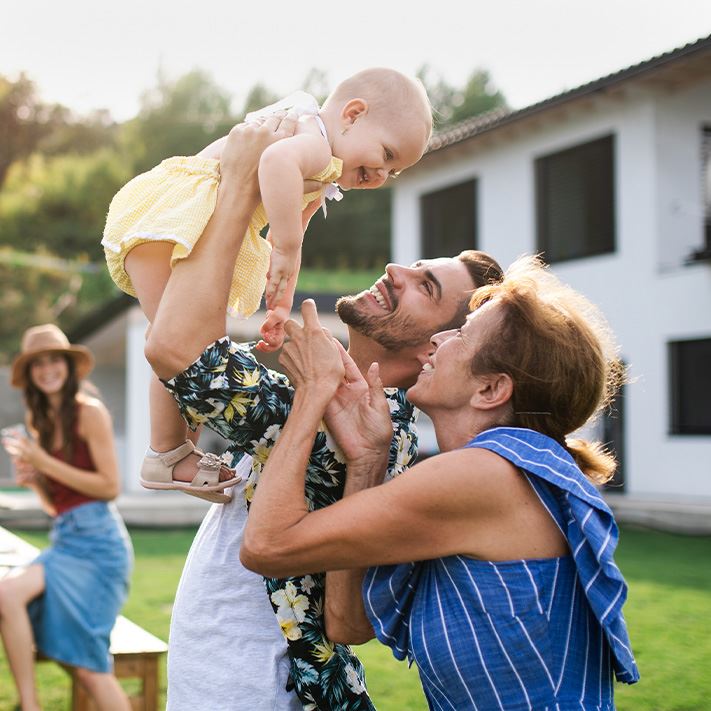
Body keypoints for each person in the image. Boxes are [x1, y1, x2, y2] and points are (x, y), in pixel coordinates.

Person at [143, 115, 503, 709]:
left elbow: (175, 348)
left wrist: (236, 185)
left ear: (433, 346)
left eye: (425, 287)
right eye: (415, 265)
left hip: (258, 684)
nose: (396, 270)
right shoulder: (341, 393)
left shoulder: (345, 411)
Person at [241, 258, 642, 709]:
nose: (437, 340)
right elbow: (348, 623)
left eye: (462, 335)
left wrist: (312, 392)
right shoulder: (502, 473)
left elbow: (266, 547)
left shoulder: (483, 476)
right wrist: (368, 460)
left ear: (491, 390)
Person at [102, 67, 433, 502]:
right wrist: (290, 247)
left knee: (192, 337)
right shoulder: (314, 140)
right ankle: (166, 452)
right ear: (352, 115)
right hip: (180, 217)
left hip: (190, 220)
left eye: (394, 171)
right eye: (386, 154)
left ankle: (170, 452)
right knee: (184, 340)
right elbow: (276, 169)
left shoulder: (323, 162)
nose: (381, 174)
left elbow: (289, 230)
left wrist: (280, 299)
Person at [0, 324, 134, 711]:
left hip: (99, 547)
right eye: (37, 364)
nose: (47, 369)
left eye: (54, 360)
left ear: (68, 365)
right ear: (29, 375)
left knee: (88, 668)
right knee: (7, 594)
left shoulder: (88, 412)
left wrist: (44, 463)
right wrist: (35, 482)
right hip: (66, 539)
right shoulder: (39, 422)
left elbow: (110, 487)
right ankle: (30, 704)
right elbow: (56, 505)